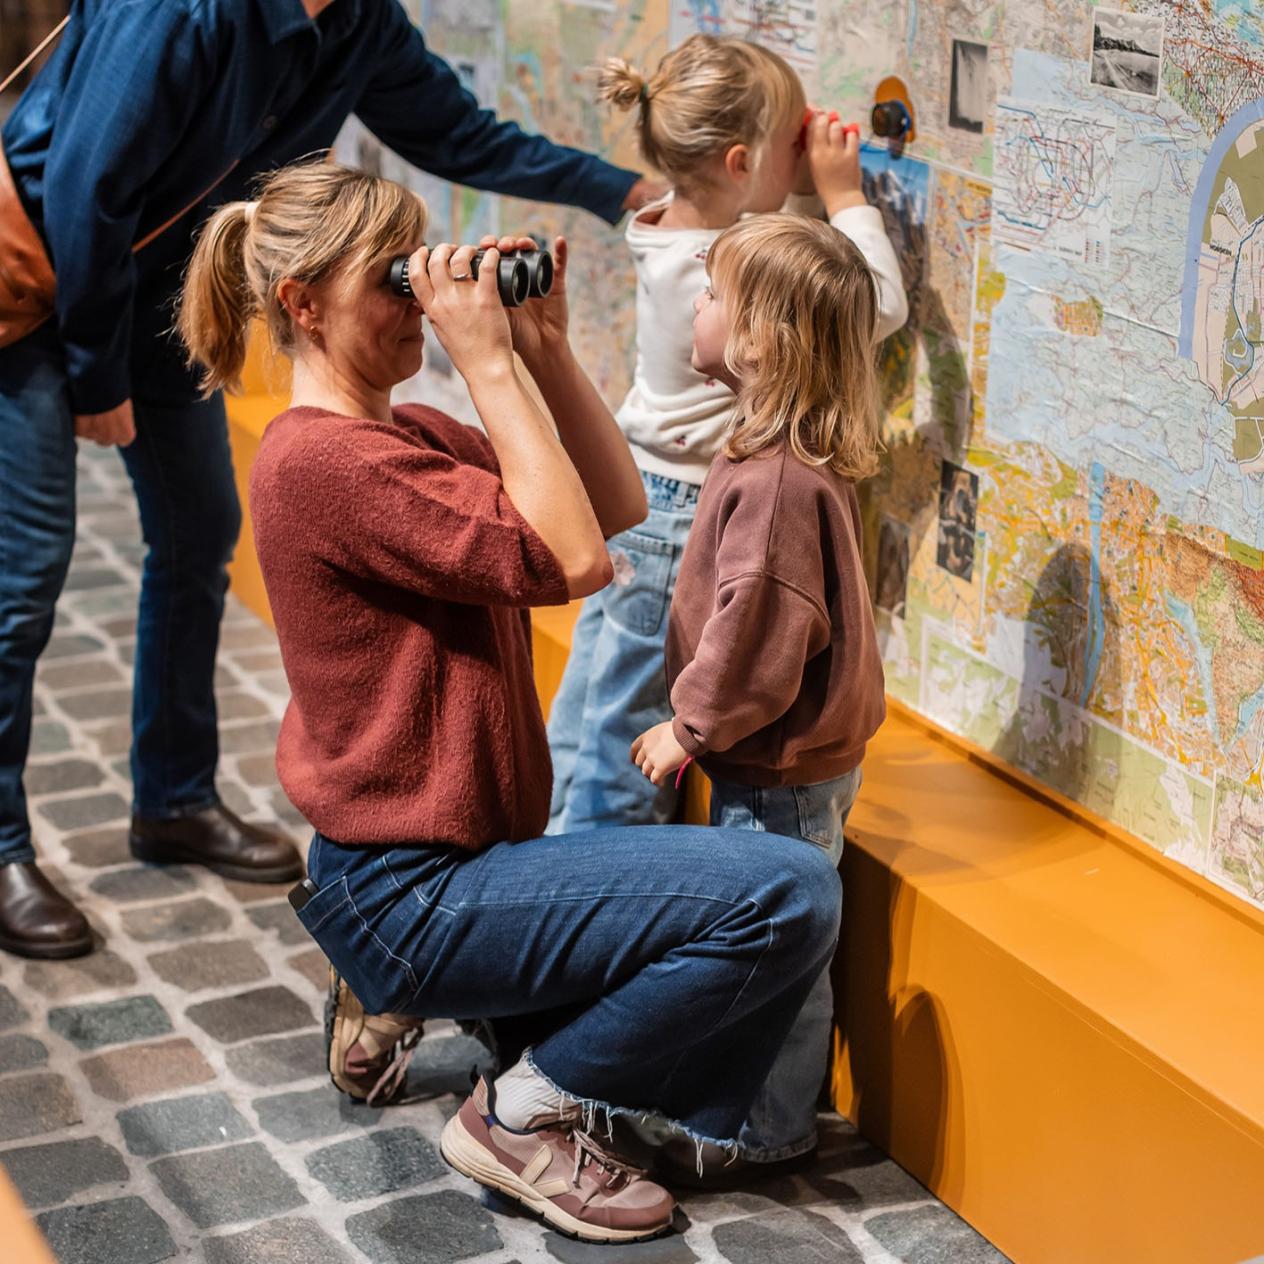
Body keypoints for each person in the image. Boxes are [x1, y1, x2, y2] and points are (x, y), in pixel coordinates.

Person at [176, 158, 843, 1243]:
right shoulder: (324, 466)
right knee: (787, 891)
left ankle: (421, 1003)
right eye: (389, 281)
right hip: (418, 887)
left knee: (654, 981)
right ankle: (517, 1114)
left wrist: (540, 349)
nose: (416, 299)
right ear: (303, 304)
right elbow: (573, 558)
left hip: (471, 863)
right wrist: (482, 357)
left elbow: (612, 503)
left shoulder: (408, 436)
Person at [0, 0, 663, 959]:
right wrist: (96, 377)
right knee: (24, 577)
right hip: (40, 290)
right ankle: (3, 848)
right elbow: (82, 186)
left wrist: (619, 187)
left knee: (197, 540)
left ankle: (174, 799)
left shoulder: (358, 22)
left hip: (155, 299)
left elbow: (458, 133)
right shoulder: (179, 12)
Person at [545, 34, 907, 835]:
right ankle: (594, 877)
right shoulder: (717, 268)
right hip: (679, 518)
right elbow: (873, 302)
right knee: (630, 728)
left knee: (593, 704)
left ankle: (553, 849)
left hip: (640, 496)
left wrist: (788, 181)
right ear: (740, 164)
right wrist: (843, 196)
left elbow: (764, 237)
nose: (803, 157)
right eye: (791, 145)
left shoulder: (663, 230)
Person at [631, 213, 887, 1183]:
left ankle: (768, 1126)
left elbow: (758, 636)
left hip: (777, 770)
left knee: (778, 948)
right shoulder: (769, 455)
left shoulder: (776, 481)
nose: (696, 308)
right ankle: (744, 1099)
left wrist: (689, 726)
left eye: (712, 297)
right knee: (773, 935)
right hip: (784, 761)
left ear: (762, 339)